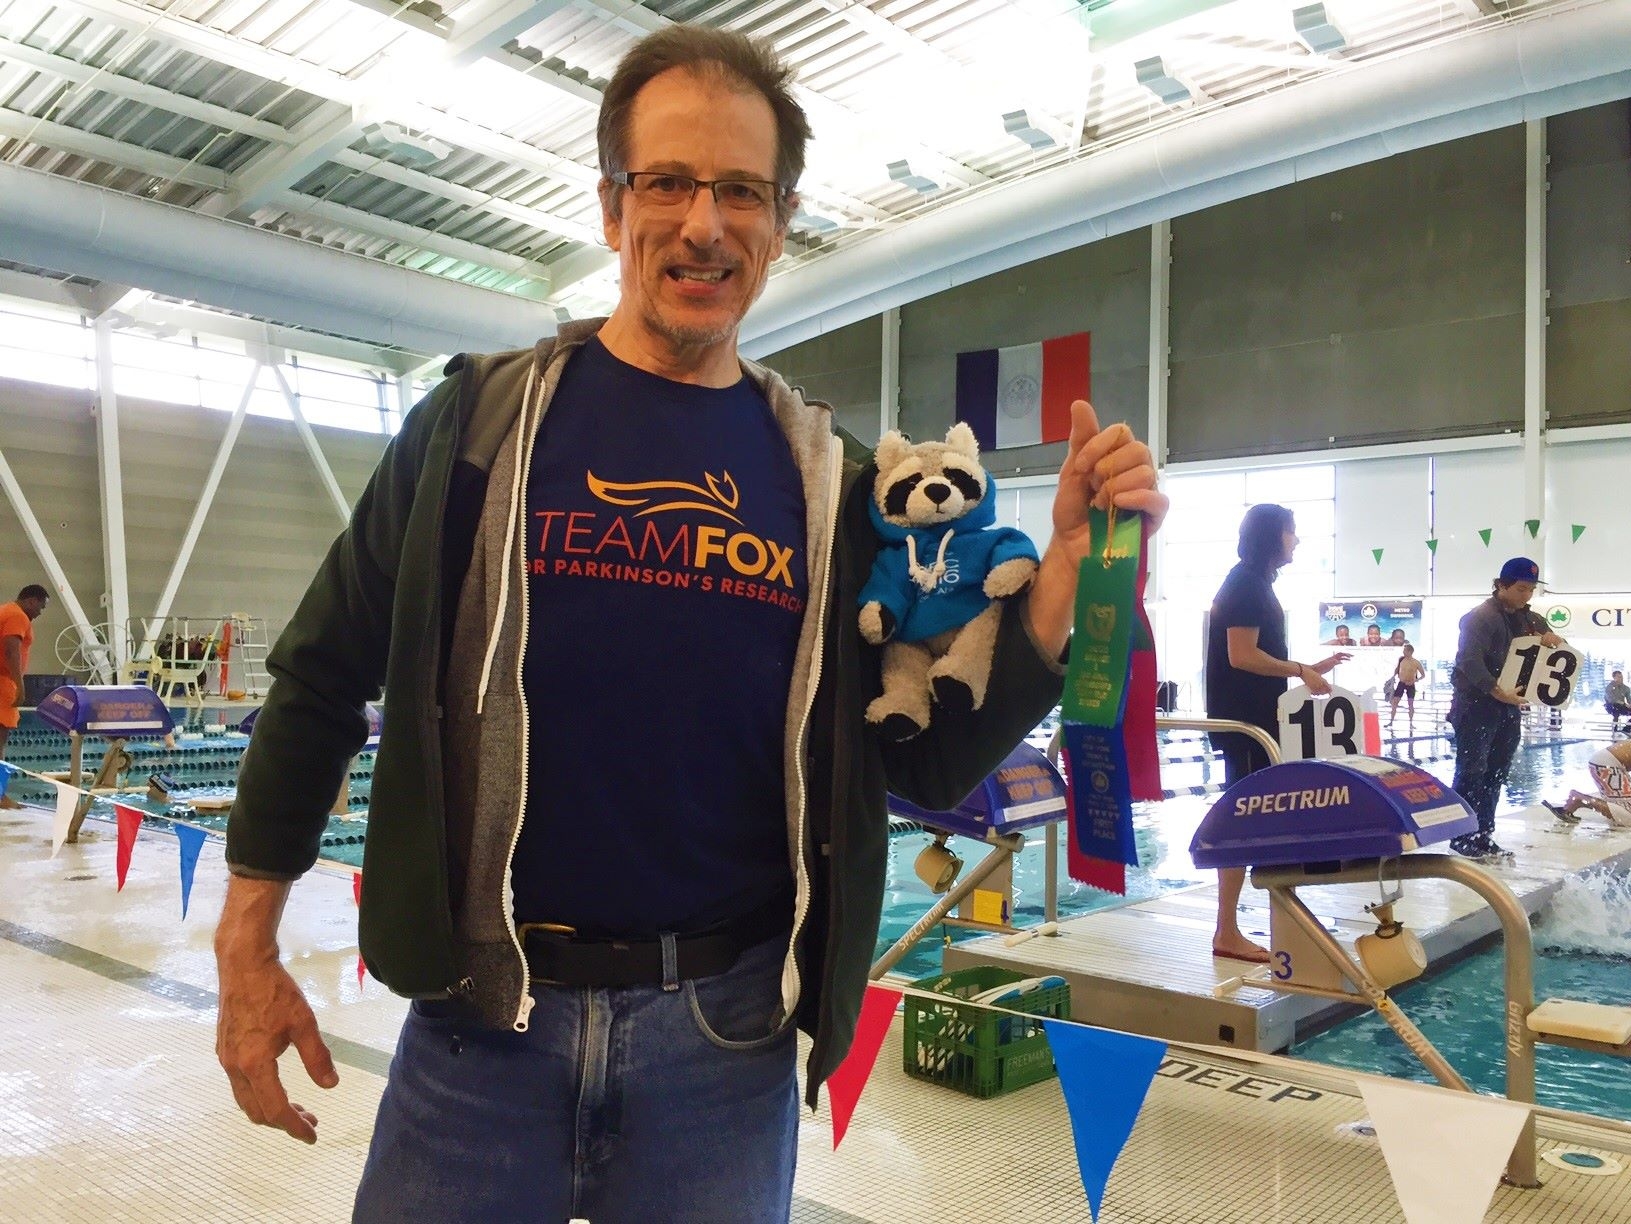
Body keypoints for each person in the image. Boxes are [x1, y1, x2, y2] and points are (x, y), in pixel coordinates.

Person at [212, 26, 1168, 1224]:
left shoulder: (834, 488)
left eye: (739, 192)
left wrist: (1051, 597)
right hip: (476, 1028)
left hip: (723, 1042)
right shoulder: (474, 433)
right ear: (612, 207)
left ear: (780, 221)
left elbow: (915, 757)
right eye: (666, 182)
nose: (702, 224)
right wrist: (246, 949)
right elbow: (316, 678)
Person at [1204, 505, 1348, 962]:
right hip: (1245, 725)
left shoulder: (1254, 583)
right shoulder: (1245, 584)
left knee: (1259, 819)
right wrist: (1300, 670)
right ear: (1273, 537)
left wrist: (1307, 669)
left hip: (1257, 720)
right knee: (1245, 821)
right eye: (1292, 533)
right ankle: (1226, 931)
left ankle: (1256, 923)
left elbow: (1255, 655)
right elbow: (1241, 656)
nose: (1297, 541)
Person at [1447, 557, 1564, 860]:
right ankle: (1461, 835)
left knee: (1497, 771)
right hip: (1476, 705)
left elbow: (1552, 649)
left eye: (1531, 590)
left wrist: (1553, 640)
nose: (1527, 595)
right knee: (1472, 771)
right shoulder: (1480, 618)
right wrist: (1496, 691)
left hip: (1508, 705)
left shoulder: (1531, 620)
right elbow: (1469, 661)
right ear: (1502, 585)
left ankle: (1484, 833)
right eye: (1522, 588)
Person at [0, 583, 49, 774]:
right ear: (31, 601)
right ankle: (0, 794)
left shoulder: (5, 610)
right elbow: (11, 652)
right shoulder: (17, 616)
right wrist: (20, 687)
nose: (40, 613)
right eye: (41, 607)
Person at [1542, 739, 1631, 828]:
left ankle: (1575, 803)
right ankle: (1580, 799)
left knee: (1619, 814)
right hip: (1607, 764)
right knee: (1627, 818)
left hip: (1604, 762)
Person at [1387, 643, 1425, 731]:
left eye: (1405, 650)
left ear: (1410, 651)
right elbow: (1397, 669)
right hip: (1401, 683)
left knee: (1410, 704)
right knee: (1394, 702)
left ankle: (1411, 723)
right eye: (1403, 650)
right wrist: (1393, 677)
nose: (1404, 652)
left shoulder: (1416, 662)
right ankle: (1391, 721)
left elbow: (1423, 675)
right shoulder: (1401, 659)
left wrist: (1414, 681)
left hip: (1410, 684)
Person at [1606, 669, 1631, 734]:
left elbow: (1629, 699)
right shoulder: (1609, 687)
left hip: (1622, 706)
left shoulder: (1626, 688)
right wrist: (1624, 703)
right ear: (1614, 677)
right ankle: (1615, 727)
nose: (1621, 678)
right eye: (1619, 677)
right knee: (1616, 708)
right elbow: (1611, 699)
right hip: (1611, 705)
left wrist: (1629, 704)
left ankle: (1627, 728)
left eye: (1621, 676)